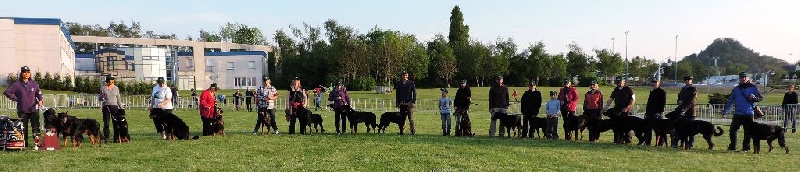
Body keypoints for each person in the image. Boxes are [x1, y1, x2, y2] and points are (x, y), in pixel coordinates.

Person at [3, 66, 43, 147]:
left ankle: (37, 144)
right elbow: (7, 92)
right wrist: (15, 98)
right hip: (22, 110)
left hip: (33, 109)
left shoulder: (34, 83)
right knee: (23, 128)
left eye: (28, 72)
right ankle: (24, 144)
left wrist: (40, 100)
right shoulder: (16, 84)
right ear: (21, 74)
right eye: (24, 72)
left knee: (36, 127)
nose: (27, 74)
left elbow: (39, 93)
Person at [722, 72, 763, 152]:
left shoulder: (753, 87)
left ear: (747, 78)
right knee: (732, 130)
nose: (743, 79)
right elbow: (730, 100)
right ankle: (732, 147)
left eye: (745, 77)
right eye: (741, 77)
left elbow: (760, 98)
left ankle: (746, 148)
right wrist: (725, 111)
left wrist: (754, 98)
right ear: (739, 79)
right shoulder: (736, 89)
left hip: (749, 113)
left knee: (747, 132)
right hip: (738, 113)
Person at [603, 77, 635, 144]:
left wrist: (627, 108)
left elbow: (633, 100)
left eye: (620, 81)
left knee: (627, 126)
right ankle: (617, 141)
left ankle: (628, 141)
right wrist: (605, 107)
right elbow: (611, 99)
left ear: (624, 82)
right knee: (616, 126)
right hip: (617, 111)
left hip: (626, 111)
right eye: (617, 82)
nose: (619, 83)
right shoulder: (615, 90)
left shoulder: (629, 89)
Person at [671, 76, 697, 148]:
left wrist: (683, 108)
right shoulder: (683, 88)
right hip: (682, 111)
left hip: (690, 112)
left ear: (691, 80)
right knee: (680, 128)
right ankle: (677, 143)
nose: (687, 81)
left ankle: (690, 144)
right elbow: (679, 97)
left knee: (691, 129)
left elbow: (691, 101)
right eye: (686, 80)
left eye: (689, 79)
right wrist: (679, 102)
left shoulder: (693, 89)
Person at [99, 75, 123, 143]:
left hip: (114, 107)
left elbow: (118, 98)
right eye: (111, 80)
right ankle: (106, 138)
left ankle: (116, 138)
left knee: (115, 123)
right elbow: (100, 98)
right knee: (106, 123)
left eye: (113, 80)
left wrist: (121, 107)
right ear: (108, 81)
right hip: (106, 107)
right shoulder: (103, 88)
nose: (113, 81)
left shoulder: (116, 88)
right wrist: (102, 96)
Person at [645, 79, 666, 146]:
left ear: (658, 83)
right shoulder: (652, 92)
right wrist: (646, 112)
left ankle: (660, 143)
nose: (654, 83)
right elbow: (649, 103)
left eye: (655, 82)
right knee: (648, 128)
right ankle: (648, 142)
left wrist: (659, 112)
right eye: (653, 82)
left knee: (659, 129)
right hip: (650, 113)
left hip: (657, 113)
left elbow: (662, 103)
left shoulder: (662, 92)